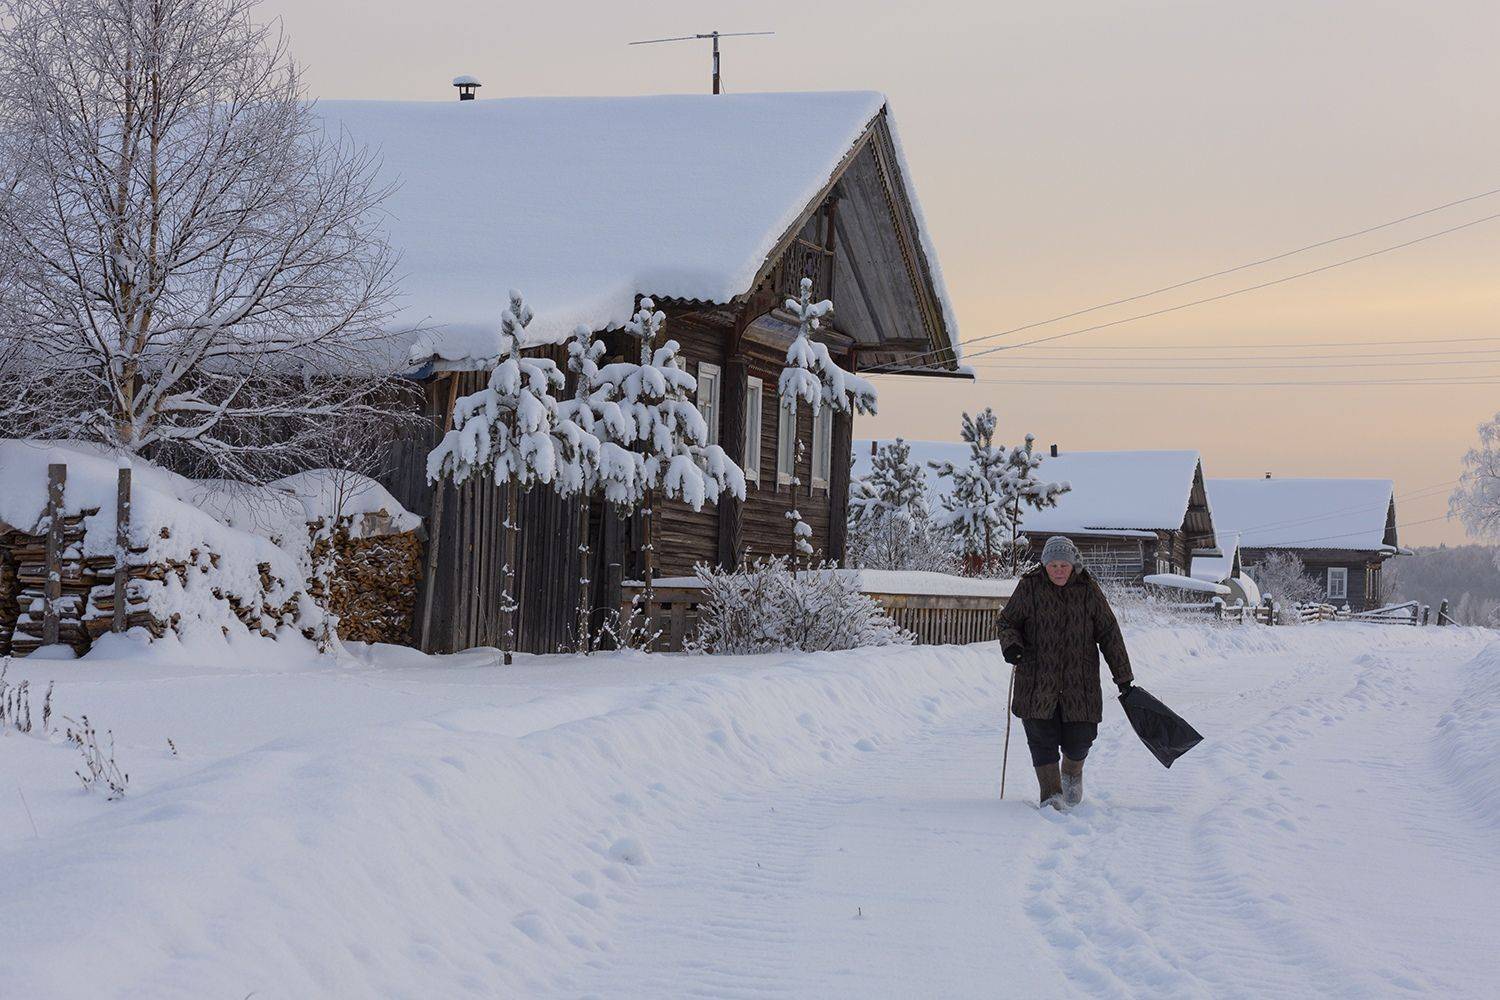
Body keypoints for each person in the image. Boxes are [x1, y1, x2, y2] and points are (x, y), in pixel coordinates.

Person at [997, 536, 1134, 809]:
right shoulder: (1030, 587)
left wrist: (1123, 677)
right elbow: (1007, 622)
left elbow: (1109, 633)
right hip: (1037, 679)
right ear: (1044, 565)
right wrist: (1011, 645)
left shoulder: (1088, 589)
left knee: (1081, 738)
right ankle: (1051, 794)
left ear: (1073, 565)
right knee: (1041, 738)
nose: (1058, 570)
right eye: (1053, 565)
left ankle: (1071, 773)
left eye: (1064, 565)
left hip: (1079, 681)